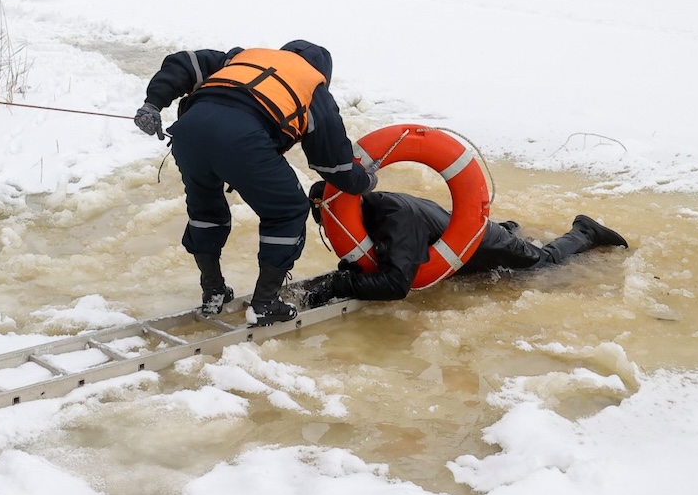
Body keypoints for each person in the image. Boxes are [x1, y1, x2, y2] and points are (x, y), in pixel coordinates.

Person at [134, 40, 377, 326]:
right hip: (243, 138)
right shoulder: (314, 88)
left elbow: (184, 62)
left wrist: (153, 104)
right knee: (287, 210)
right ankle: (265, 303)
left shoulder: (242, 58)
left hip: (190, 133)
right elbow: (333, 165)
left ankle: (213, 291)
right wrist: (365, 181)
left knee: (205, 210)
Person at [305, 186, 629, 304]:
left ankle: (585, 232)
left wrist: (342, 284)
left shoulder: (393, 219)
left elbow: (396, 285)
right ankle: (511, 229)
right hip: (456, 234)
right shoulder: (373, 208)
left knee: (542, 263)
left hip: (483, 243)